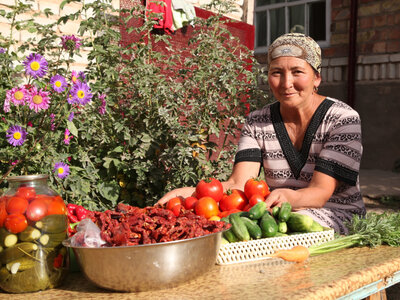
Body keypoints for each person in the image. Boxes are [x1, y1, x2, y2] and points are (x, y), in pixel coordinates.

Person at [158, 33, 365, 234]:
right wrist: (184, 195)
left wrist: (285, 197)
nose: (286, 83)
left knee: (275, 230)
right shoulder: (257, 121)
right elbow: (238, 184)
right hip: (275, 215)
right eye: (276, 73)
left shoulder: (342, 119)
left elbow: (320, 193)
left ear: (317, 77)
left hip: (336, 214)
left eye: (297, 72)